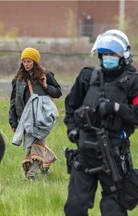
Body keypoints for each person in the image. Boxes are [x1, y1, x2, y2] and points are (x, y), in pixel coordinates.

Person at [64, 29, 138, 215]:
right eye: (104, 54)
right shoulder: (88, 77)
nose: (107, 58)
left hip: (113, 154)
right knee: (74, 208)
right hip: (85, 154)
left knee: (112, 209)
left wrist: (115, 108)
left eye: (112, 54)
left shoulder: (133, 82)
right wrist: (72, 130)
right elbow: (71, 106)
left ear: (123, 55)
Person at [9, 47, 62, 180]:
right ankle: (47, 159)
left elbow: (58, 93)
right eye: (24, 61)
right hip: (25, 118)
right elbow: (13, 101)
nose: (26, 64)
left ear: (35, 62)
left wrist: (45, 86)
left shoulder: (46, 75)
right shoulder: (18, 79)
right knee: (31, 144)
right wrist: (13, 121)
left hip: (41, 118)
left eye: (29, 61)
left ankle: (31, 176)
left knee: (36, 144)